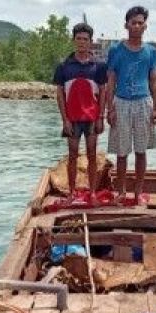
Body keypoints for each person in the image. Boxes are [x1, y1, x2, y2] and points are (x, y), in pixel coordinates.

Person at [104, 5, 156, 205]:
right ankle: (121, 192)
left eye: (140, 22)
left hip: (143, 103)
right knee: (121, 151)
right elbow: (110, 81)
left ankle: (138, 193)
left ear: (145, 26)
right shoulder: (116, 50)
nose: (137, 26)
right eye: (133, 22)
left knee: (141, 151)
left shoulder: (151, 52)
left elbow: (153, 81)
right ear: (126, 25)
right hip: (121, 103)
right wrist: (109, 109)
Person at [53, 22, 108, 201]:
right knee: (72, 155)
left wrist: (101, 116)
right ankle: (71, 192)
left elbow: (103, 92)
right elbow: (60, 94)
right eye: (79, 39)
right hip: (72, 119)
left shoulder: (99, 66)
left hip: (92, 118)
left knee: (92, 155)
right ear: (74, 40)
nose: (82, 42)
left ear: (91, 41)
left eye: (85, 39)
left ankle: (92, 192)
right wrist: (65, 120)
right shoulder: (64, 66)